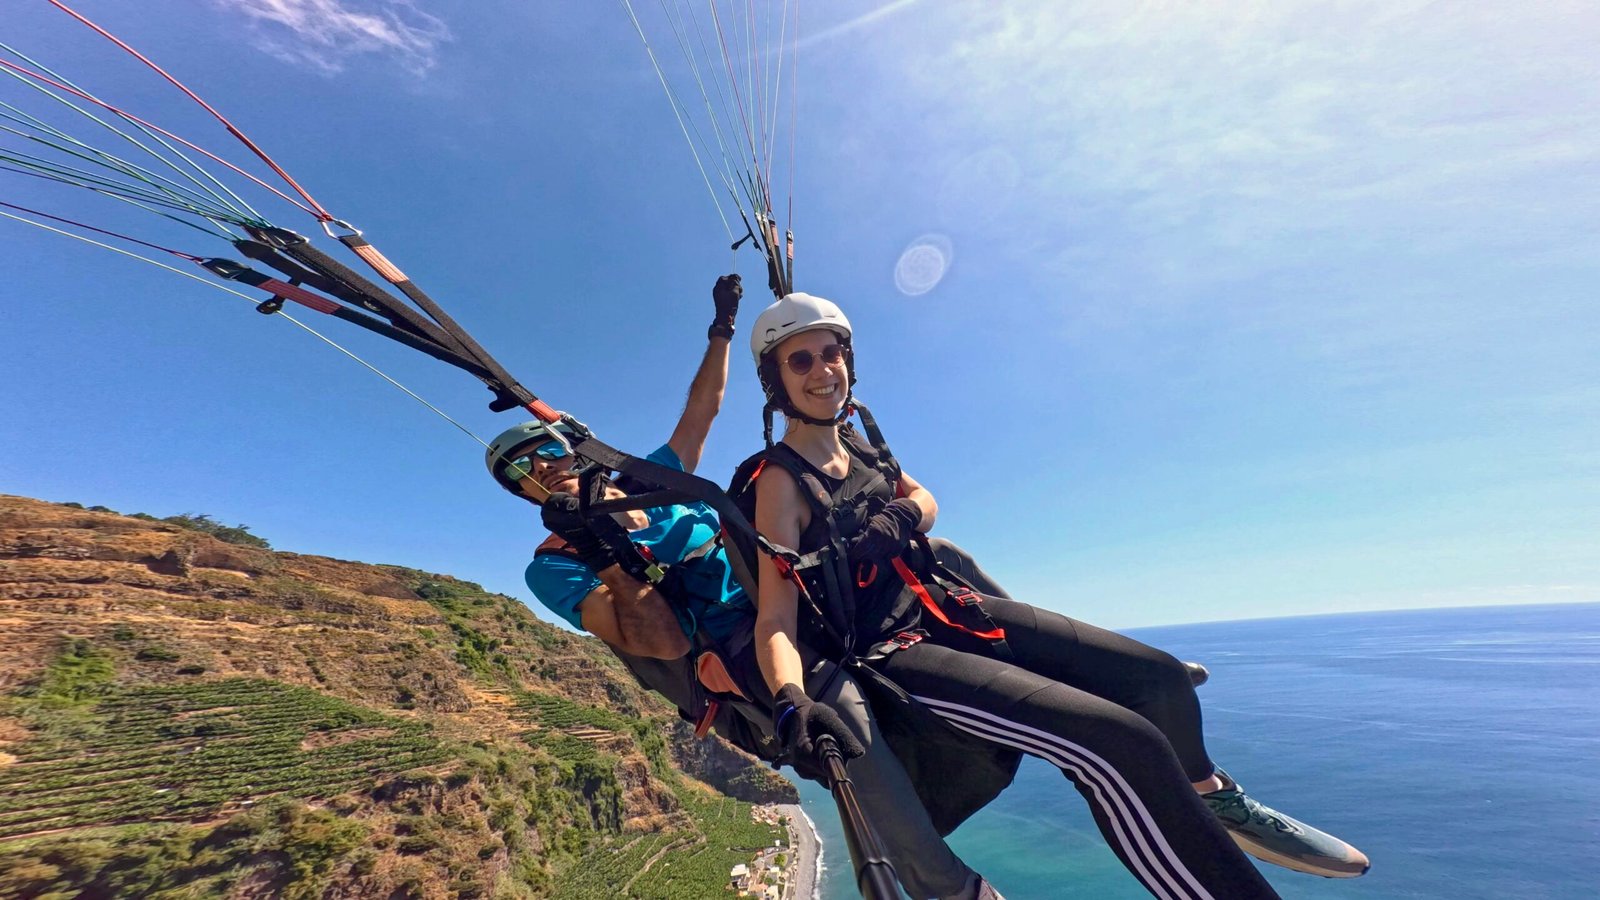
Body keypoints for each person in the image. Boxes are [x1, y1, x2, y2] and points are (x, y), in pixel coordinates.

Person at [736, 292, 1372, 900]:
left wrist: (905, 518)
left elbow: (924, 499)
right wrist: (790, 696)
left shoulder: (861, 445)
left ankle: (1212, 797)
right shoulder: (780, 485)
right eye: (802, 359)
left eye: (833, 353)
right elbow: (776, 616)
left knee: (1158, 679)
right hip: (893, 655)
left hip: (948, 611)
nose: (824, 370)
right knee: (1119, 744)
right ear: (777, 380)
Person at [488, 275, 1006, 900]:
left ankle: (1018, 651)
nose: (542, 467)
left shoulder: (653, 484)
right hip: (731, 647)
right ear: (522, 493)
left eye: (545, 450)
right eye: (522, 471)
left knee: (938, 553)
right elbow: (661, 640)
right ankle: (945, 888)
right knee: (838, 709)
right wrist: (605, 552)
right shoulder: (555, 564)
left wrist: (723, 327)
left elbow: (702, 409)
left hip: (784, 585)